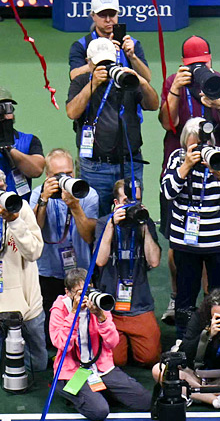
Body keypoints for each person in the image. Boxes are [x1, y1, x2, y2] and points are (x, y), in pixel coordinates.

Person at [158, 36, 220, 325]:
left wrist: (217, 103)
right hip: (181, 169)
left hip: (215, 171)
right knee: (177, 247)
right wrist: (176, 90)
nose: (198, 71)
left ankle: (214, 309)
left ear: (210, 60)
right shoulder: (173, 83)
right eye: (192, 67)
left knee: (217, 261)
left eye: (202, 65)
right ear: (183, 65)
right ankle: (179, 300)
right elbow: (168, 123)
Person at [161, 116, 220, 338]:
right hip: (186, 242)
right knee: (186, 296)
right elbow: (167, 192)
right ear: (185, 144)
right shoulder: (177, 158)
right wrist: (185, 167)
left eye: (203, 145)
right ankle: (184, 340)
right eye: (193, 146)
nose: (200, 150)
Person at [65, 36, 160, 215]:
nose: (105, 68)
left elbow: (153, 105)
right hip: (95, 167)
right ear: (89, 63)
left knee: (132, 215)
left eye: (108, 63)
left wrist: (142, 82)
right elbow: (72, 112)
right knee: (94, 216)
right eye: (99, 64)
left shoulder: (125, 80)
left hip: (130, 162)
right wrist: (92, 85)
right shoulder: (81, 81)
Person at [49, 267, 152, 421]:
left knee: (146, 402)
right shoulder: (60, 309)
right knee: (99, 411)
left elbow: (112, 342)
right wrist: (74, 315)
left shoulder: (99, 303)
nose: (85, 296)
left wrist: (101, 317)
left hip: (101, 368)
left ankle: (101, 391)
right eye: (78, 292)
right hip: (72, 370)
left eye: (87, 289)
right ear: (68, 292)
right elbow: (63, 345)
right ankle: (65, 389)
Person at [93, 179, 162, 368]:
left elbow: (154, 261)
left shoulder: (145, 223)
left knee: (150, 358)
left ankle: (132, 343)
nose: (132, 206)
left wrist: (144, 227)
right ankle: (124, 344)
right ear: (116, 203)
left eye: (136, 201)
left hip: (139, 304)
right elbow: (99, 260)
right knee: (116, 361)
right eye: (127, 201)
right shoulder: (103, 223)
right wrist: (111, 225)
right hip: (110, 306)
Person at [32, 150, 98, 337]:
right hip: (48, 271)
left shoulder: (87, 193)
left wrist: (75, 206)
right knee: (50, 333)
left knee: (84, 329)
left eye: (69, 174)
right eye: (58, 175)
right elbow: (35, 230)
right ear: (47, 176)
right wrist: (43, 200)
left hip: (80, 270)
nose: (65, 179)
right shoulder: (38, 193)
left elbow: (88, 237)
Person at [0, 187, 46, 372]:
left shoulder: (21, 208)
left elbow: (34, 252)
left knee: (37, 366)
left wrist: (14, 221)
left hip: (26, 304)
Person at [67, 0, 152, 84]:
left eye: (112, 14)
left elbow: (147, 78)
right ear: (93, 16)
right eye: (102, 15)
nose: (108, 20)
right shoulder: (82, 45)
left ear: (117, 14)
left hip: (126, 94)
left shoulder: (131, 43)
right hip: (94, 93)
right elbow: (74, 76)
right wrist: (99, 58)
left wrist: (132, 57)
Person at [0, 87, 45, 201]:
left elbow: (36, 170)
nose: (6, 115)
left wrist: (10, 149)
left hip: (19, 212)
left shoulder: (29, 140)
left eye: (9, 109)